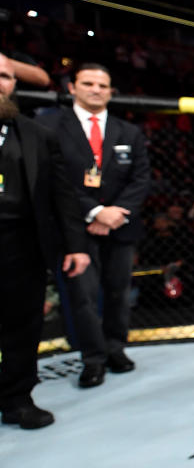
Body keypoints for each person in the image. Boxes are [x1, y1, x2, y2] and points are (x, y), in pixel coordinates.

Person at [38, 63, 150, 388]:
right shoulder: (49, 127)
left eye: (103, 85)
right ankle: (92, 358)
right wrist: (95, 211)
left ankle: (115, 349)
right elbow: (53, 180)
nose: (96, 90)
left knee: (118, 292)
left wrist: (116, 212)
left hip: (120, 226)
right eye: (88, 83)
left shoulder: (128, 131)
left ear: (111, 90)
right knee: (82, 296)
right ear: (72, 87)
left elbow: (141, 179)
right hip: (74, 229)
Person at [0, 54, 91, 429]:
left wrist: (76, 244)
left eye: (5, 76)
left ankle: (17, 398)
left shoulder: (37, 134)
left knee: (23, 324)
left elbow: (62, 195)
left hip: (20, 242)